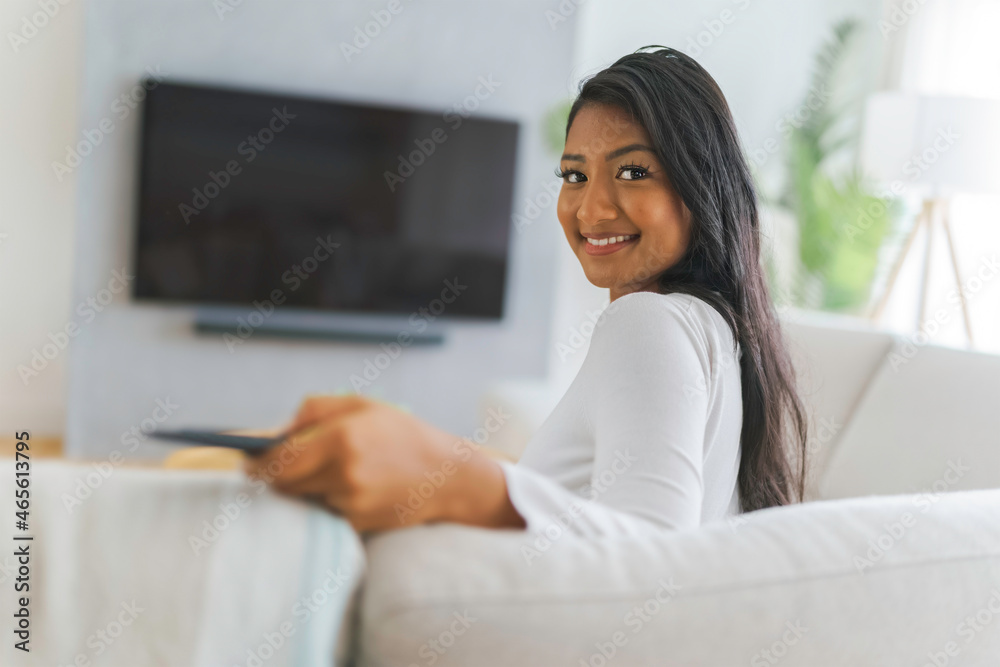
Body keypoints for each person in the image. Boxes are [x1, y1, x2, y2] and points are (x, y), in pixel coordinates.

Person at [243, 46, 809, 537]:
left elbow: (649, 549)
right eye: (574, 175)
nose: (591, 209)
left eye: (633, 172)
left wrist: (458, 481)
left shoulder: (647, 322)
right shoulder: (717, 329)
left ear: (700, 185)